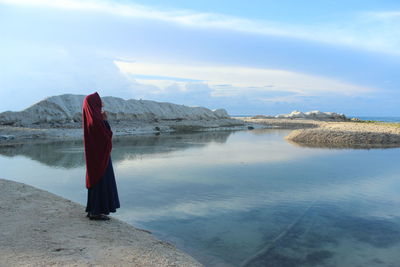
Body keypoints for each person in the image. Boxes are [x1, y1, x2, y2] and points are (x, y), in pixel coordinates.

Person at [82, 92, 120, 220]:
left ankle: (93, 209)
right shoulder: (96, 121)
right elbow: (106, 137)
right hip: (100, 159)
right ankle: (96, 212)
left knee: (97, 181)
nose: (102, 103)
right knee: (101, 181)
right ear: (94, 104)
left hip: (96, 158)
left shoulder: (92, 119)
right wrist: (105, 121)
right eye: (99, 101)